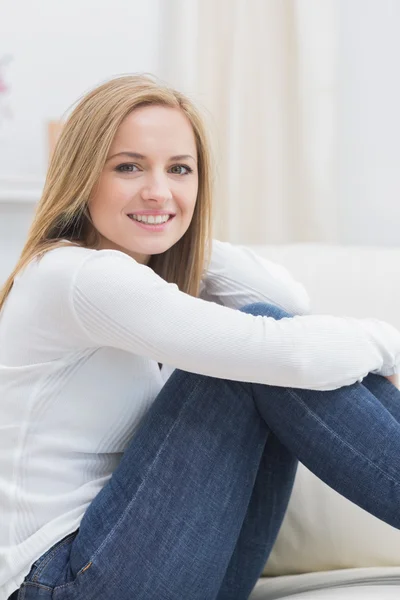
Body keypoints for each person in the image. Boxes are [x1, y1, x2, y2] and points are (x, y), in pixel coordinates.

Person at [1, 74, 400, 600]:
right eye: (128, 167)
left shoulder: (128, 273)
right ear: (83, 176)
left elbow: (292, 305)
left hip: (151, 564)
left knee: (264, 341)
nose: (158, 188)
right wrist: (388, 343)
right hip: (59, 584)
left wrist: (170, 226)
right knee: (251, 361)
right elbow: (285, 347)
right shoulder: (77, 276)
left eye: (179, 169)